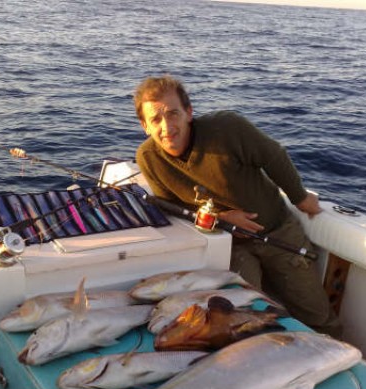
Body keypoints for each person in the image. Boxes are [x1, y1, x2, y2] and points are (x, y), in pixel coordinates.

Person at [133, 75, 341, 337]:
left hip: (277, 231)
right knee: (243, 320)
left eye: (173, 113)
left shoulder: (227, 128)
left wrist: (300, 197)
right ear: (145, 126)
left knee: (317, 313)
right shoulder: (148, 158)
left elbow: (273, 156)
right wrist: (221, 219)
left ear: (189, 112)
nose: (166, 126)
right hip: (230, 246)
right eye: (155, 119)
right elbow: (173, 208)